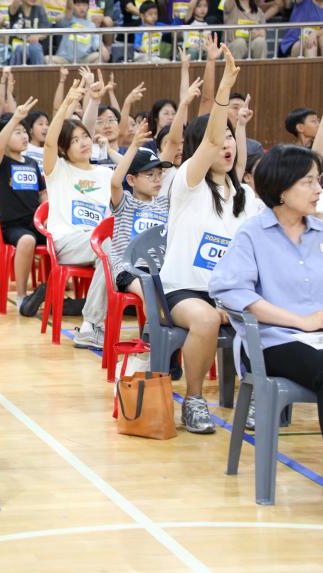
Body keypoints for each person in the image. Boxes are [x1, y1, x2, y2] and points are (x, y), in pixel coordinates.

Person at [159, 45, 261, 434]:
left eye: (232, 137)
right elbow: (211, 140)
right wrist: (224, 89)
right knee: (203, 319)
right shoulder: (188, 182)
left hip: (230, 293)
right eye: (220, 138)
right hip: (185, 290)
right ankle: (194, 399)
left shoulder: (246, 196)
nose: (227, 144)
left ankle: (257, 398)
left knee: (267, 314)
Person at [209, 144, 323, 437]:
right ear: (282, 188)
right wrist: (301, 321)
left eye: (318, 180)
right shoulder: (252, 234)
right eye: (308, 181)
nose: (318, 189)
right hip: (274, 341)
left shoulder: (321, 233)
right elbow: (233, 292)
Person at [43, 79, 113, 348]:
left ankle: (150, 325)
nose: (83, 142)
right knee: (108, 246)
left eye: (85, 136)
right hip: (67, 242)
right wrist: (67, 103)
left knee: (118, 248)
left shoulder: (105, 174)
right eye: (75, 140)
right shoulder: (58, 170)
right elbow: (49, 143)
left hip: (98, 244)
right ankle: (91, 326)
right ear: (64, 149)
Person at [0, 99, 48, 317]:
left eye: (24, 132)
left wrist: (48, 216)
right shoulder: (0, 162)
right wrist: (15, 117)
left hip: (36, 223)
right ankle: (23, 297)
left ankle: (53, 290)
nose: (24, 136)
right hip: (13, 226)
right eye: (17, 132)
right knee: (27, 241)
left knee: (59, 239)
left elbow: (42, 193)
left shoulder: (31, 163)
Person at [108, 123, 171, 299]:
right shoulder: (125, 201)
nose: (157, 179)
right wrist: (134, 145)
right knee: (150, 292)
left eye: (159, 174)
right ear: (131, 180)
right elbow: (115, 182)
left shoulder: (164, 203)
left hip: (161, 269)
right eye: (150, 175)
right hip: (130, 269)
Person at [45, 0, 109, 65]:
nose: (82, 8)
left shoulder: (91, 25)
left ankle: (86, 72)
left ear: (88, 7)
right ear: (73, 6)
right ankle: (63, 72)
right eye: (78, 5)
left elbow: (97, 42)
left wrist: (103, 48)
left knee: (100, 56)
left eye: (84, 5)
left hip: (84, 60)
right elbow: (69, 8)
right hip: (65, 59)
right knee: (47, 60)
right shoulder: (67, 20)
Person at [7, 0, 49, 65]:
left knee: (35, 48)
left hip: (34, 48)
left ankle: (39, 71)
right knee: (21, 49)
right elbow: (13, 7)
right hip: (16, 49)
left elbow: (45, 31)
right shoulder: (15, 9)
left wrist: (37, 36)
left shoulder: (39, 10)